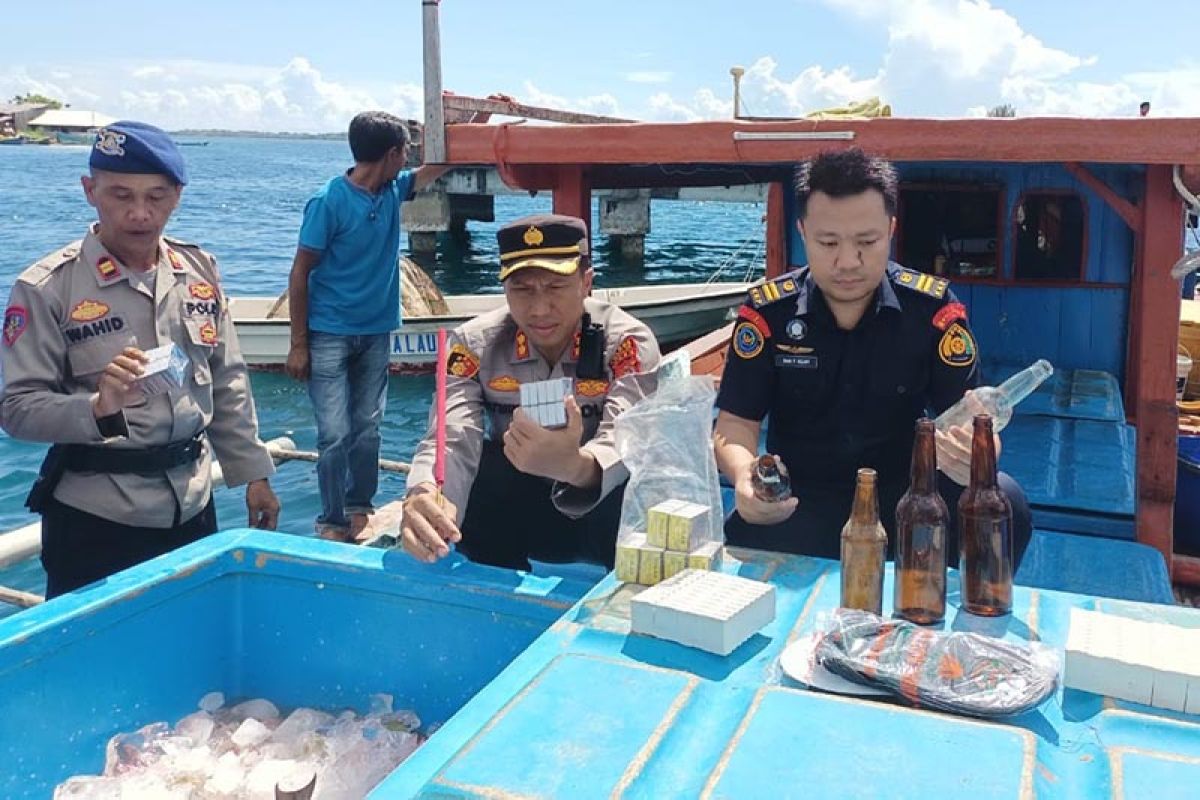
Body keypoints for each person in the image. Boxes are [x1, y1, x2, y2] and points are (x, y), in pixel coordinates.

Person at [0, 120, 281, 598]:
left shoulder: (198, 271)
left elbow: (225, 378)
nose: (139, 214)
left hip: (193, 507)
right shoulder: (47, 287)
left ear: (178, 194)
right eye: (120, 195)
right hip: (98, 518)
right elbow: (16, 407)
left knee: (192, 652)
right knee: (98, 664)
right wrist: (96, 407)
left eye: (156, 197)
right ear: (90, 191)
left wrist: (254, 474)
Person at [714, 148, 1032, 564]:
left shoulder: (935, 312)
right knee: (741, 528)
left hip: (908, 500)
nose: (848, 262)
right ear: (802, 232)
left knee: (1004, 500)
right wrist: (743, 476)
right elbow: (735, 423)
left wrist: (972, 454)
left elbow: (976, 420)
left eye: (867, 241)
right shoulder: (767, 314)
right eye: (828, 242)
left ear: (892, 230)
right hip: (798, 501)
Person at [400, 214, 661, 570]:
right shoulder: (473, 346)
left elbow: (627, 439)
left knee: (639, 479)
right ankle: (495, 587)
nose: (539, 309)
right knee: (483, 470)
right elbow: (451, 436)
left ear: (587, 283)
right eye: (521, 289)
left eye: (555, 287)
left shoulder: (627, 343)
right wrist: (424, 492)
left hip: (605, 514)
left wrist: (576, 466)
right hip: (525, 514)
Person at [284, 111, 446, 542]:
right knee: (334, 432)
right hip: (329, 332)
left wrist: (476, 115)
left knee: (368, 426)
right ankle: (331, 519)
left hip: (376, 330)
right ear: (392, 154)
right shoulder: (328, 202)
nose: (410, 159)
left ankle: (360, 506)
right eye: (406, 151)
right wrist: (298, 343)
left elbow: (443, 162)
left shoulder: (395, 188)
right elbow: (300, 273)